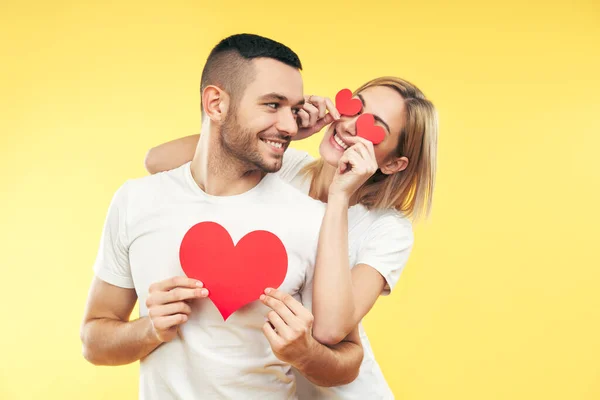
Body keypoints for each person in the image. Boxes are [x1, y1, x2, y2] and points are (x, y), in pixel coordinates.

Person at [80, 33, 366, 400]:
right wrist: (150, 329)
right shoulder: (136, 200)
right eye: (273, 105)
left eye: (293, 110)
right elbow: (94, 341)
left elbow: (349, 359)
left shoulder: (314, 220)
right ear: (216, 104)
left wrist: (306, 354)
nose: (292, 128)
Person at [145, 75, 438, 398]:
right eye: (354, 107)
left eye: (373, 127)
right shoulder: (284, 169)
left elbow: (328, 330)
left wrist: (339, 197)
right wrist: (281, 132)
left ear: (394, 163)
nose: (351, 125)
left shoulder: (387, 229)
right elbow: (157, 161)